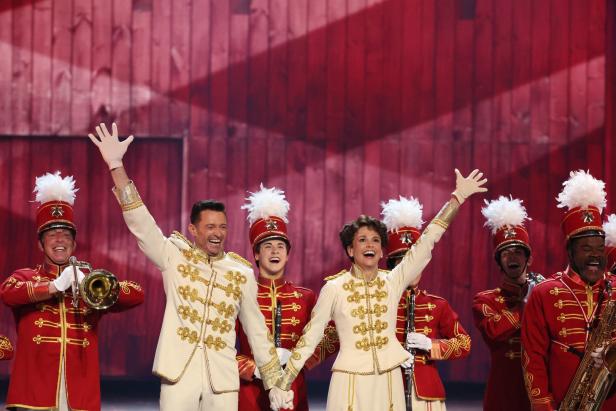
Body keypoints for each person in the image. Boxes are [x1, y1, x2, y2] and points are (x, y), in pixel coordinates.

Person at [88, 123, 292, 411]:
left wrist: (274, 383)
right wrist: (116, 166)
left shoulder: (241, 273)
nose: (217, 233)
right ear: (193, 229)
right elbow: (142, 224)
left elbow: (257, 333)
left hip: (222, 380)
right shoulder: (174, 255)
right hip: (178, 373)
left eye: (222, 227)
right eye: (210, 227)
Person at [273, 169, 487, 411]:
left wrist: (457, 198)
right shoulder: (334, 288)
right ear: (350, 250)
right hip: (349, 380)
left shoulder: (392, 281)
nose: (370, 244)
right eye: (362, 239)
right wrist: (283, 382)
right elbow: (310, 339)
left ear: (382, 251)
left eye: (375, 240)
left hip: (388, 378)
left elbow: (427, 241)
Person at [0, 171, 144, 411]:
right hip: (32, 394)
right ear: (40, 243)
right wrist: (54, 286)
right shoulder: (25, 277)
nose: (60, 240)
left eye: (66, 235)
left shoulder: (89, 281)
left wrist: (95, 285)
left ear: (74, 244)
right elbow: (7, 293)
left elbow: (136, 294)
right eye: (52, 234)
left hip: (79, 395)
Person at [236, 185, 339, 411]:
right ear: (256, 253)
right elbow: (220, 347)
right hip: (249, 392)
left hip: (293, 390)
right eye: (268, 246)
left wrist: (299, 360)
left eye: (280, 246)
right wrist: (250, 367)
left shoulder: (305, 296)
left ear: (288, 253)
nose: (275, 252)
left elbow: (333, 335)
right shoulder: (240, 294)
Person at [521, 170, 616, 410]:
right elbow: (533, 356)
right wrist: (542, 404)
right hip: (563, 402)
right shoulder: (544, 293)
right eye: (586, 248)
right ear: (570, 251)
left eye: (598, 248)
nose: (595, 255)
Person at [381, 195, 471, 411]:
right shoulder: (378, 300)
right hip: (384, 389)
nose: (411, 269)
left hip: (426, 395)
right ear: (393, 266)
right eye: (403, 262)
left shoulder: (437, 304)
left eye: (415, 262)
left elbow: (464, 344)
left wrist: (431, 345)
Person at [472, 195, 543, 411]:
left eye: (519, 253)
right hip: (502, 393)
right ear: (499, 261)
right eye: (506, 253)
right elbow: (494, 332)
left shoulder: (544, 292)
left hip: (539, 390)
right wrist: (526, 303)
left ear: (529, 259)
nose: (513, 258)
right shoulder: (486, 299)